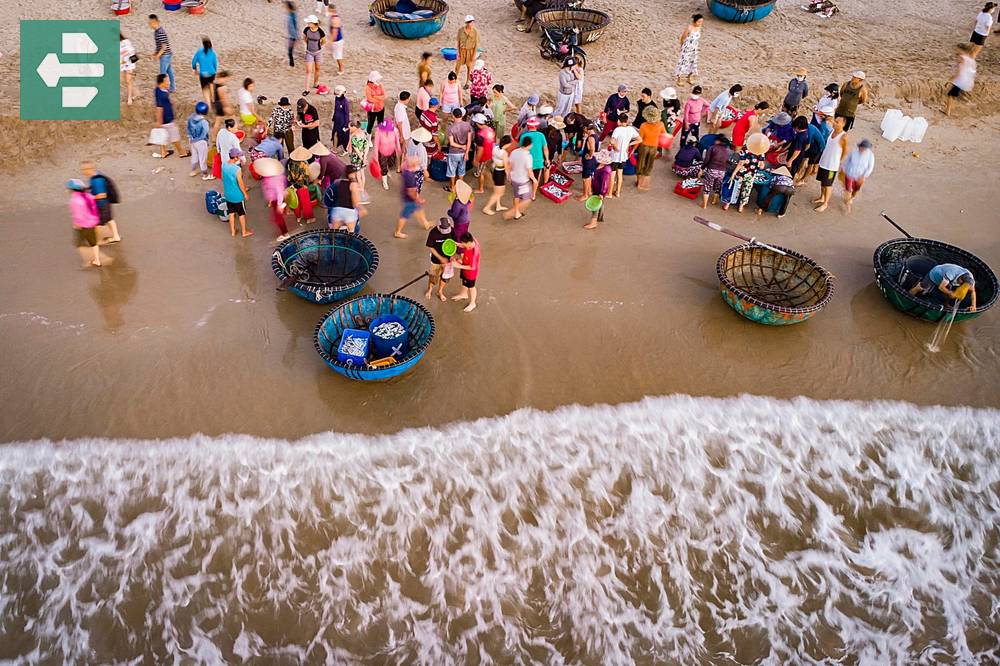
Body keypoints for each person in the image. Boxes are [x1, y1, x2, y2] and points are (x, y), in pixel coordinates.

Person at [67, 179, 106, 268]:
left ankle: (91, 259)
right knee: (93, 242)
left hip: (83, 225)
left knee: (78, 243)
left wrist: (77, 224)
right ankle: (97, 260)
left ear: (72, 190)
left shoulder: (75, 201)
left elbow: (78, 216)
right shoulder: (87, 196)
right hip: (92, 222)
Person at [80, 161, 121, 244]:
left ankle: (96, 242)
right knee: (109, 219)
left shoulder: (97, 180)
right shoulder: (96, 175)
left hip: (101, 205)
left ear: (90, 169)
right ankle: (116, 236)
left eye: (84, 169)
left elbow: (102, 195)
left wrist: (90, 197)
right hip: (105, 204)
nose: (83, 171)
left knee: (97, 222)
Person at [813, 116, 848, 212]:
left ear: (843, 124)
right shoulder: (831, 131)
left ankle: (825, 204)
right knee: (822, 182)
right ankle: (822, 197)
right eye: (835, 121)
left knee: (828, 185)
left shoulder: (843, 136)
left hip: (832, 167)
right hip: (824, 162)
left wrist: (838, 161)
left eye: (838, 122)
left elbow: (845, 151)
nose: (835, 123)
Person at [908, 264, 978, 312]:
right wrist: (951, 293)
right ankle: (908, 298)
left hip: (949, 280)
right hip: (935, 274)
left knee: (948, 293)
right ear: (960, 278)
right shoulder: (951, 273)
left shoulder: (970, 280)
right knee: (921, 288)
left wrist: (973, 305)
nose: (960, 285)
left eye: (962, 285)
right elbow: (941, 287)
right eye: (960, 283)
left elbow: (972, 292)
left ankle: (946, 304)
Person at [153, 74, 188, 159]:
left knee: (162, 134)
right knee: (174, 136)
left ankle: (163, 152)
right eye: (167, 81)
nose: (169, 82)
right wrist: (159, 121)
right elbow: (159, 108)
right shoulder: (162, 95)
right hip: (167, 118)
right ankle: (181, 152)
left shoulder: (158, 90)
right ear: (161, 83)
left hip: (164, 119)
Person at [504, 136, 538, 220]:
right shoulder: (528, 156)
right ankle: (513, 212)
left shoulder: (515, 152)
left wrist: (508, 175)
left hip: (514, 179)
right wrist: (534, 179)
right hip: (523, 181)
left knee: (517, 196)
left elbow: (510, 165)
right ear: (529, 145)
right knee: (527, 199)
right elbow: (529, 171)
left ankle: (516, 212)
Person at [396, 154, 429, 238]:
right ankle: (398, 232)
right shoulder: (410, 177)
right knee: (405, 215)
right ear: (413, 165)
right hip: (409, 199)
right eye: (417, 164)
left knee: (419, 208)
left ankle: (425, 223)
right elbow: (411, 192)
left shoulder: (406, 171)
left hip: (408, 196)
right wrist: (418, 199)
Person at [222, 148, 252, 238]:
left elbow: (223, 178)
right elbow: (241, 183)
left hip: (228, 194)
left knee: (231, 213)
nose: (239, 157)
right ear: (235, 157)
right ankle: (244, 232)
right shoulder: (237, 169)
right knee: (241, 214)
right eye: (238, 156)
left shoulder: (224, 164)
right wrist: (245, 194)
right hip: (237, 196)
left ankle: (233, 231)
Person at [609, 112, 640, 197]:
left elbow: (611, 141)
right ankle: (618, 192)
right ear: (627, 121)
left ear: (618, 121)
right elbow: (639, 139)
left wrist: (615, 147)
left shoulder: (617, 129)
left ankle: (610, 193)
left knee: (612, 174)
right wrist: (629, 144)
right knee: (620, 174)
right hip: (624, 156)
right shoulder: (630, 129)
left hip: (615, 156)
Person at [840, 138, 875, 212]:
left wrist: (863, 176)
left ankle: (852, 197)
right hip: (850, 174)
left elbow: (870, 168)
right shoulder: (853, 152)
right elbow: (847, 161)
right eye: (861, 148)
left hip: (860, 177)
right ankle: (848, 205)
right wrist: (843, 169)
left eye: (864, 149)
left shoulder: (870, 156)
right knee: (848, 190)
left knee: (856, 190)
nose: (862, 150)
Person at [326, 165, 364, 232]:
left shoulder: (336, 183)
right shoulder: (354, 185)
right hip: (350, 215)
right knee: (353, 232)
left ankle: (333, 240)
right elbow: (356, 202)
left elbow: (327, 200)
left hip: (336, 213)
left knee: (334, 233)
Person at [425, 217, 454, 301]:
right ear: (438, 226)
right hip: (436, 260)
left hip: (448, 261)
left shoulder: (452, 231)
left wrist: (453, 256)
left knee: (445, 277)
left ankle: (440, 292)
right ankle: (429, 290)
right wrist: (440, 258)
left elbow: (455, 244)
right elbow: (431, 247)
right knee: (433, 276)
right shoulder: (433, 233)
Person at [518, 116, 548, 200]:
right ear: (537, 126)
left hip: (526, 162)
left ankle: (524, 194)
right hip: (538, 162)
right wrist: (547, 159)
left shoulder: (524, 136)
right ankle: (533, 195)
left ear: (528, 126)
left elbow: (520, 148)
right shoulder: (541, 135)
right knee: (535, 179)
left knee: (525, 178)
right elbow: (545, 148)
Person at [699, 135, 732, 209]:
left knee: (707, 187)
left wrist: (702, 168)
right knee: (717, 187)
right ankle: (714, 201)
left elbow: (706, 160)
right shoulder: (728, 151)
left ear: (718, 141)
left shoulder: (712, 148)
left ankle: (704, 205)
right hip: (722, 172)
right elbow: (728, 162)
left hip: (712, 170)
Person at [636, 105, 664, 191]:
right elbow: (664, 136)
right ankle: (645, 185)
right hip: (654, 148)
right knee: (649, 166)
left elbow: (639, 140)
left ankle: (638, 183)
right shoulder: (661, 125)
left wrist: (633, 149)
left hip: (644, 147)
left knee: (640, 165)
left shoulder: (643, 125)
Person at [945, 43, 978, 117]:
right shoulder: (971, 60)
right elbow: (973, 71)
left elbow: (959, 71)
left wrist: (951, 79)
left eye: (957, 49)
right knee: (956, 94)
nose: (956, 51)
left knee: (950, 95)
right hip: (967, 81)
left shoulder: (962, 58)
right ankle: (969, 104)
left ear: (962, 50)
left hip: (960, 81)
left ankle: (947, 111)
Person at [584, 149, 613, 230]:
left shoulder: (606, 171)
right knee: (600, 204)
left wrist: (602, 193)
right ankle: (600, 217)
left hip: (600, 191)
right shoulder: (598, 165)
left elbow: (605, 184)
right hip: (596, 188)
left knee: (595, 206)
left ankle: (594, 222)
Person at [451, 232, 480, 312]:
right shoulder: (471, 240)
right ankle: (464, 294)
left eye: (464, 244)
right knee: (464, 281)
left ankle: (473, 303)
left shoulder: (474, 252)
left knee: (471, 287)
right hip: (465, 265)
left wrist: (457, 265)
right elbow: (464, 244)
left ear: (469, 242)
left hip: (471, 273)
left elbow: (472, 267)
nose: (463, 245)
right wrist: (457, 244)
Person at [482, 134, 511, 215]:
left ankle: (498, 205)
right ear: (507, 144)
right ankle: (487, 208)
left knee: (496, 190)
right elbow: (506, 166)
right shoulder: (504, 153)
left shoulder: (495, 148)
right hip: (500, 173)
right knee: (499, 192)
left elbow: (492, 158)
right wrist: (509, 176)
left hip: (495, 170)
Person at [446, 108, 473, 192]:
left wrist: (461, 146)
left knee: (452, 171)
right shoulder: (467, 125)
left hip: (453, 153)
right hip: (463, 153)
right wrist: (467, 152)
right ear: (462, 115)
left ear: (453, 116)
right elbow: (469, 140)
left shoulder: (451, 128)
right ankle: (460, 188)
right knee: (461, 170)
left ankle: (452, 188)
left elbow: (451, 143)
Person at [186, 102, 212, 180]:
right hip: (201, 142)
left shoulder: (191, 118)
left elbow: (188, 129)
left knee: (194, 156)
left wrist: (191, 138)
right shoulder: (204, 122)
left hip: (192, 140)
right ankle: (205, 175)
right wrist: (206, 141)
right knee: (202, 158)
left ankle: (193, 171)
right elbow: (205, 133)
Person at [148, 14, 174, 93]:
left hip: (165, 55)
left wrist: (158, 55)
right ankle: (172, 88)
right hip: (167, 54)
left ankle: (162, 89)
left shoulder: (160, 32)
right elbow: (159, 45)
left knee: (162, 73)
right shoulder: (157, 32)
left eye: (150, 22)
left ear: (154, 22)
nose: (149, 24)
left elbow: (164, 47)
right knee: (169, 71)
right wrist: (155, 53)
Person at [471, 113, 496, 194]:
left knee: (480, 173)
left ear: (478, 124)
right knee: (490, 169)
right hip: (491, 154)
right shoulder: (490, 129)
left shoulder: (479, 135)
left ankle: (481, 189)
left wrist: (476, 160)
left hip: (484, 157)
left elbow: (480, 149)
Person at [675, 14, 704, 85]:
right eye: (699, 22)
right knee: (683, 63)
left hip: (694, 48)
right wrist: (682, 47)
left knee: (693, 63)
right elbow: (682, 38)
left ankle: (689, 77)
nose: (700, 23)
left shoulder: (699, 28)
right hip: (687, 48)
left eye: (701, 22)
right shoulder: (689, 28)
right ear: (695, 21)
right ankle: (679, 79)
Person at [373, 118, 401, 190]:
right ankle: (384, 182)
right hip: (382, 153)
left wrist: (399, 150)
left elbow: (397, 141)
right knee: (383, 167)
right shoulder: (378, 132)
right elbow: (376, 145)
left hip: (391, 152)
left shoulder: (395, 130)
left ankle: (387, 170)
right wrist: (376, 156)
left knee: (391, 164)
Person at [302, 15, 326, 96]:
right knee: (308, 71)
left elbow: (323, 41)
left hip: (318, 52)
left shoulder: (320, 31)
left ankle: (316, 83)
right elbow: (304, 38)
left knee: (317, 69)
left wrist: (318, 47)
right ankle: (307, 89)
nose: (307, 23)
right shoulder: (306, 30)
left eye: (309, 22)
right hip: (309, 52)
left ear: (313, 23)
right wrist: (309, 45)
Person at [191, 38, 219, 107]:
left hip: (203, 74)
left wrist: (195, 69)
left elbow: (193, 62)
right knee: (211, 85)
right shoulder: (212, 53)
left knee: (205, 89)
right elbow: (215, 64)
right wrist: (215, 71)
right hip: (212, 73)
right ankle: (213, 100)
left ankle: (209, 105)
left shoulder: (199, 52)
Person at [349, 121, 372, 200]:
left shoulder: (354, 137)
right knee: (362, 174)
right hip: (363, 157)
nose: (349, 129)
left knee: (358, 175)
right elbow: (367, 146)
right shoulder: (363, 134)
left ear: (354, 127)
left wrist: (362, 159)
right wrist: (365, 157)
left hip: (356, 159)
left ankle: (361, 191)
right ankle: (362, 189)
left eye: (350, 127)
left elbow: (356, 150)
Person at [456, 15, 480, 87]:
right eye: (469, 22)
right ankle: (455, 80)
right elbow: (458, 42)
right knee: (457, 67)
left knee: (469, 67)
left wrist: (473, 55)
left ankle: (467, 82)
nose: (470, 24)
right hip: (462, 50)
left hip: (470, 51)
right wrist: (458, 52)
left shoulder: (475, 32)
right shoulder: (460, 31)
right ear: (466, 23)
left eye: (472, 22)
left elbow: (476, 45)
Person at [576, 123, 598, 201]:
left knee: (585, 178)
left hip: (588, 161)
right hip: (592, 161)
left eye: (584, 129)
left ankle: (585, 195)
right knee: (589, 176)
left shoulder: (590, 138)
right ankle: (589, 191)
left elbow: (592, 148)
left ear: (586, 128)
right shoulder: (595, 135)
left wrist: (590, 155)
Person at [210, 70, 234, 135]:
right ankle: (232, 132)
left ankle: (214, 136)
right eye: (226, 78)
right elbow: (224, 99)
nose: (227, 80)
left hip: (216, 104)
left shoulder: (214, 84)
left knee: (218, 121)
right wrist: (227, 107)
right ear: (223, 77)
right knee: (231, 117)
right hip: (220, 105)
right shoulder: (222, 87)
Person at [331, 86, 351, 153]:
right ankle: (335, 148)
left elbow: (346, 114)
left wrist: (346, 124)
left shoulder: (345, 102)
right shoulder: (336, 98)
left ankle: (345, 149)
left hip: (343, 122)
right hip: (337, 121)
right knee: (335, 133)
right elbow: (336, 108)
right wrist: (334, 116)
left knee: (343, 136)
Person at [119, 33, 137, 106]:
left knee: (128, 81)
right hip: (121, 64)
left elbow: (132, 51)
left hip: (129, 64)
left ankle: (129, 98)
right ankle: (136, 92)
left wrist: (133, 64)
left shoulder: (126, 41)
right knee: (123, 80)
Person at [328, 3, 345, 75]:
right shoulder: (335, 17)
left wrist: (331, 41)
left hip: (337, 40)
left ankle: (341, 69)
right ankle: (341, 68)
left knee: (338, 55)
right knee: (337, 55)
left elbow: (335, 32)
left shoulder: (334, 19)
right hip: (338, 39)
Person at [285, 2, 299, 67]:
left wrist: (295, 37)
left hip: (292, 36)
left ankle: (291, 64)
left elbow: (291, 27)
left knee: (290, 51)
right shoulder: (294, 15)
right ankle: (291, 63)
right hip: (294, 35)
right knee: (291, 50)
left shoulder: (290, 17)